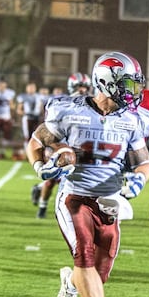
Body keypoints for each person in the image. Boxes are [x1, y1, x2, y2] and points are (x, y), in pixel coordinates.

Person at [26, 52, 149, 297]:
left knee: (100, 271)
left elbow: (143, 163)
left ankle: (70, 283)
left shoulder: (133, 120)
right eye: (126, 84)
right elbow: (36, 142)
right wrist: (42, 166)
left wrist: (138, 180)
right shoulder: (69, 110)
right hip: (74, 197)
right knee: (84, 254)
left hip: (109, 200)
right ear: (107, 82)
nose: (132, 92)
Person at [31, 72, 92, 218]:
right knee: (52, 180)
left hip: (80, 148)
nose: (82, 89)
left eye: (84, 86)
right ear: (71, 86)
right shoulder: (62, 104)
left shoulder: (92, 105)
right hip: (60, 146)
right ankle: (42, 207)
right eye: (79, 86)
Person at [16, 82, 45, 150]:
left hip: (37, 118)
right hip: (27, 118)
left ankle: (35, 151)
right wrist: (25, 113)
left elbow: (41, 109)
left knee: (37, 136)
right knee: (27, 136)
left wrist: (42, 115)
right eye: (30, 87)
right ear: (27, 88)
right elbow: (19, 110)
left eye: (33, 87)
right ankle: (27, 152)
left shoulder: (39, 96)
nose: (31, 89)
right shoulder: (23, 97)